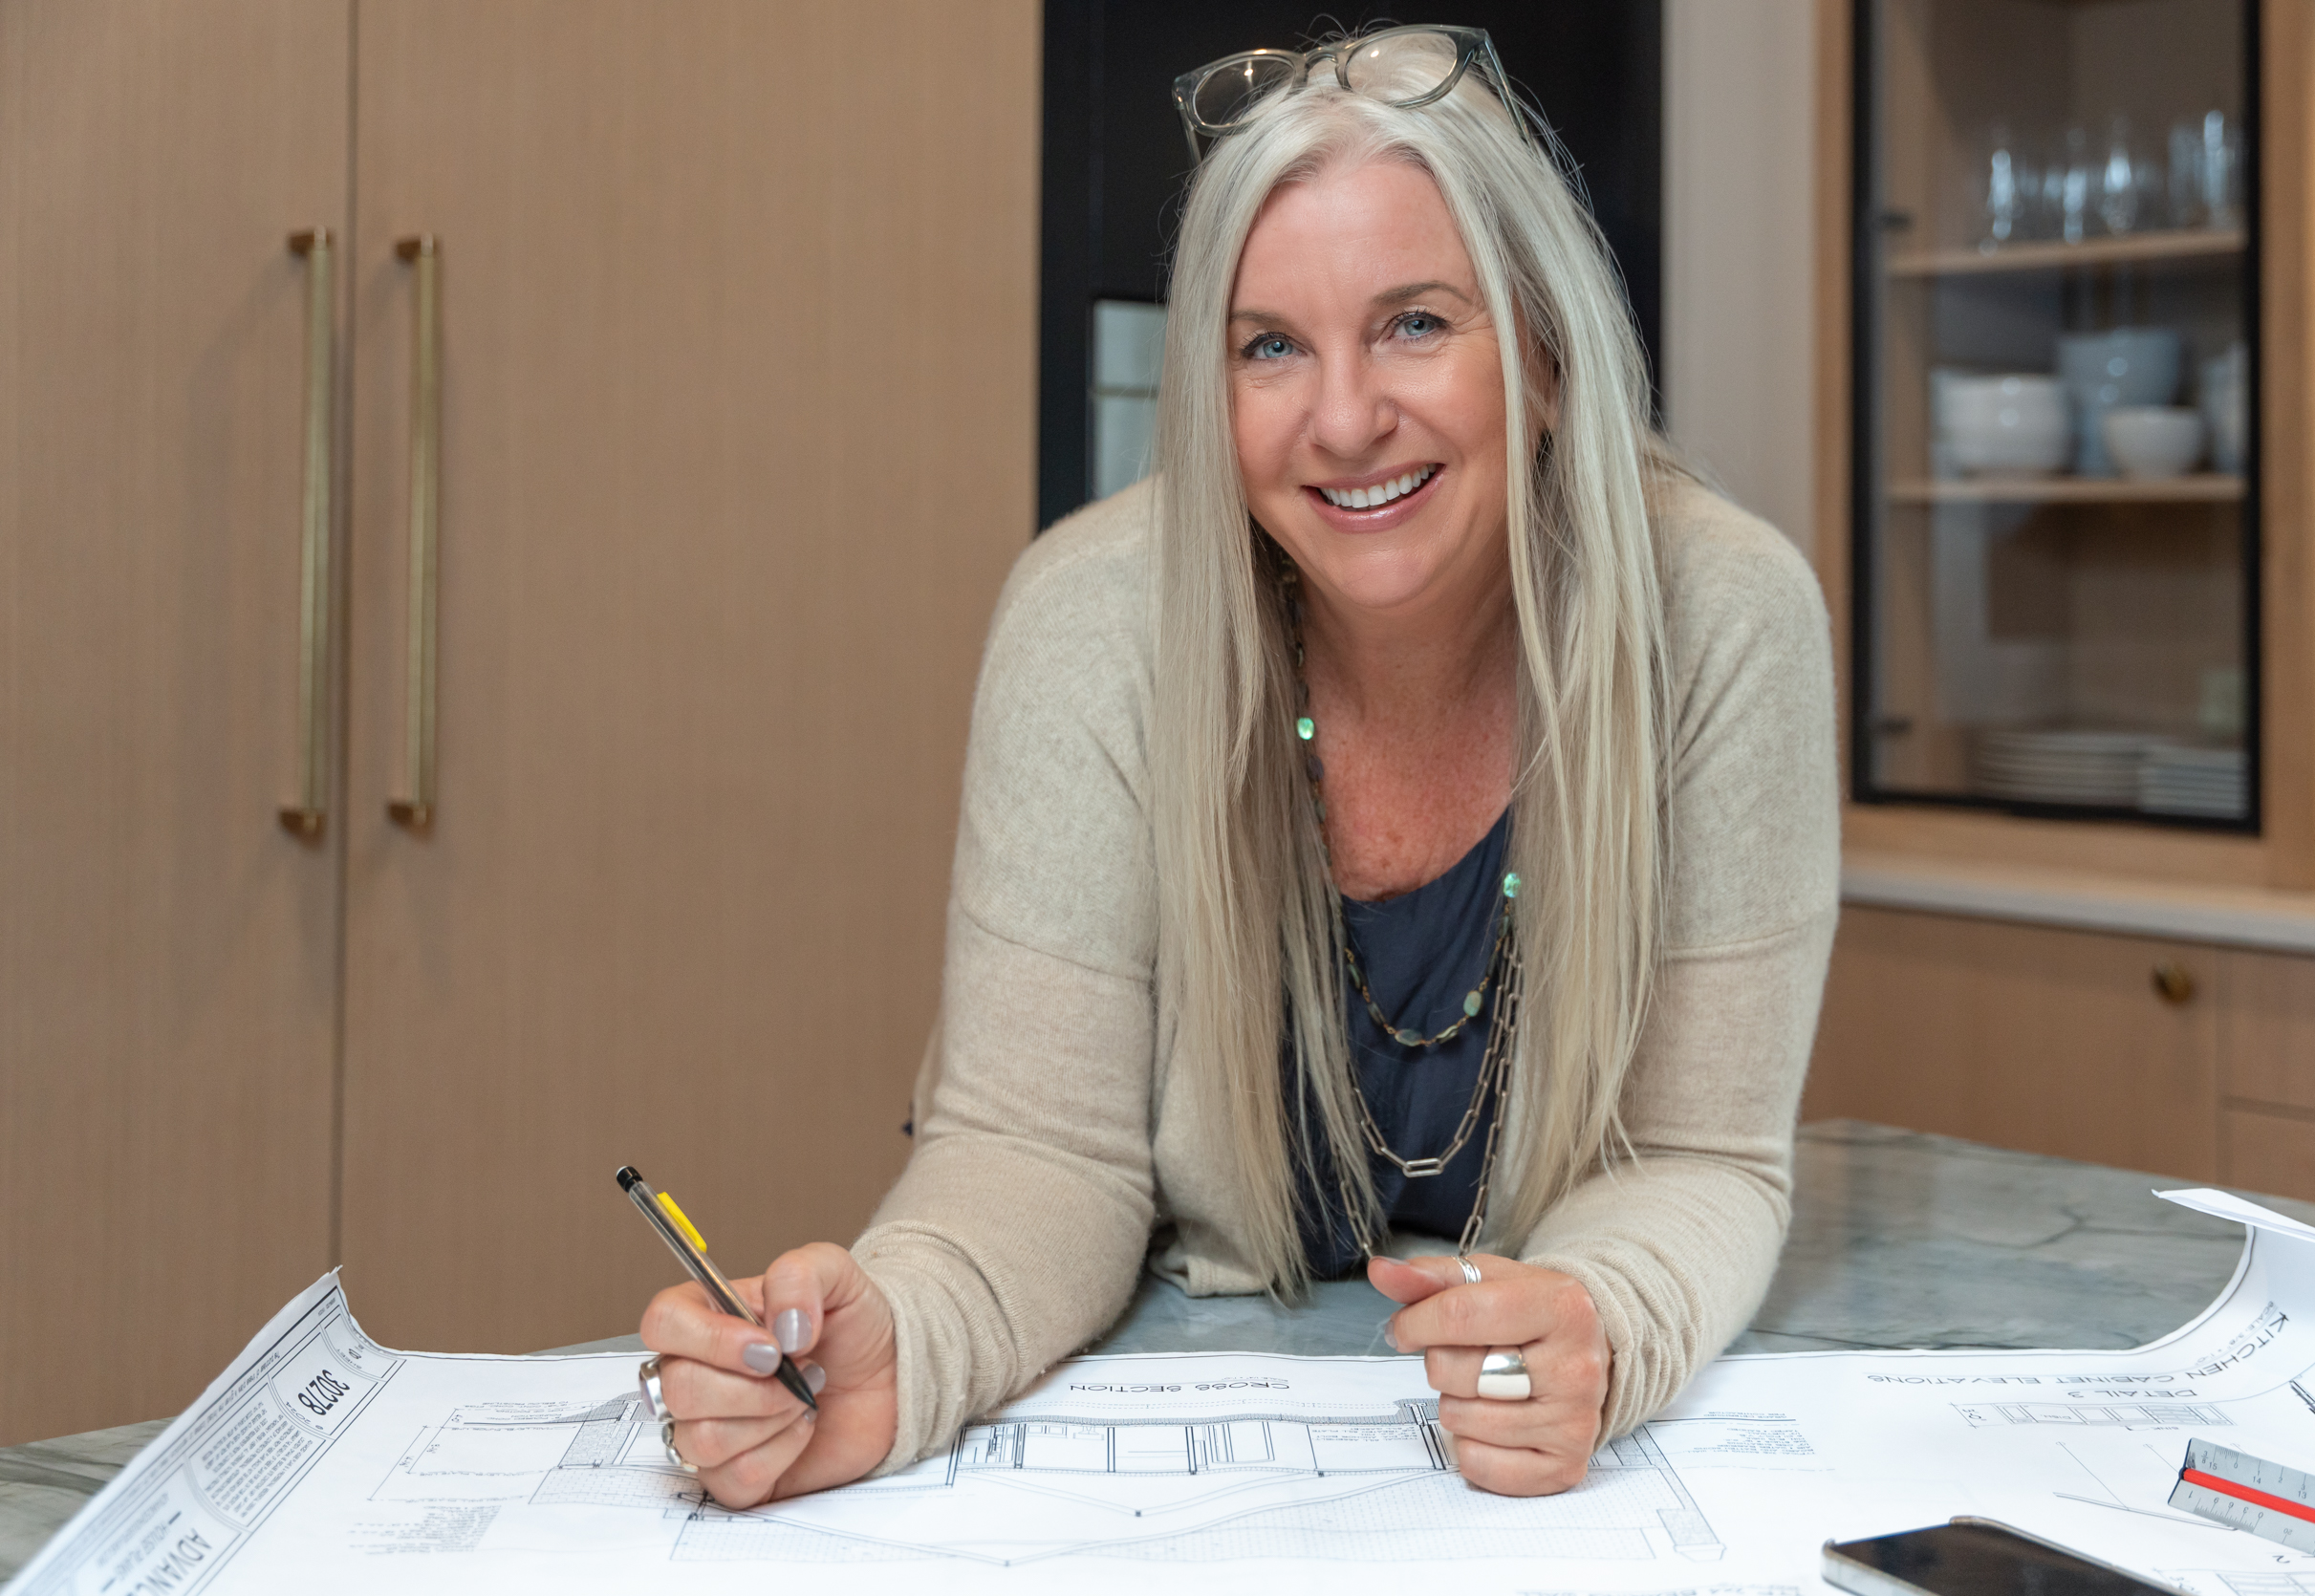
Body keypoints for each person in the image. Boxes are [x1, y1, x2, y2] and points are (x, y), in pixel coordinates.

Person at [637, 25, 1836, 1508]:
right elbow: (1037, 1149)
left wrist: (1603, 1328)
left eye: (1413, 324)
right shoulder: (1092, 621)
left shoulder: (1724, 619)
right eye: (1272, 346)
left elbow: (1701, 1152)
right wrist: (912, 1342)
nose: (1343, 419)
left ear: (1538, 354)